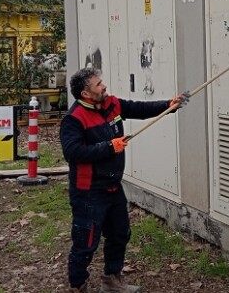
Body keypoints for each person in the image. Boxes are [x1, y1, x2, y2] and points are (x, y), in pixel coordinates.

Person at [60, 67, 190, 292]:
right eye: (99, 84)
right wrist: (109, 147)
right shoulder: (74, 119)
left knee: (120, 233)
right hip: (88, 191)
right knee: (86, 241)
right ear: (86, 94)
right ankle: (77, 285)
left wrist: (169, 105)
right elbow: (73, 153)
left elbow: (138, 108)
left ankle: (112, 281)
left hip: (112, 186)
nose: (104, 86)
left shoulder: (111, 104)